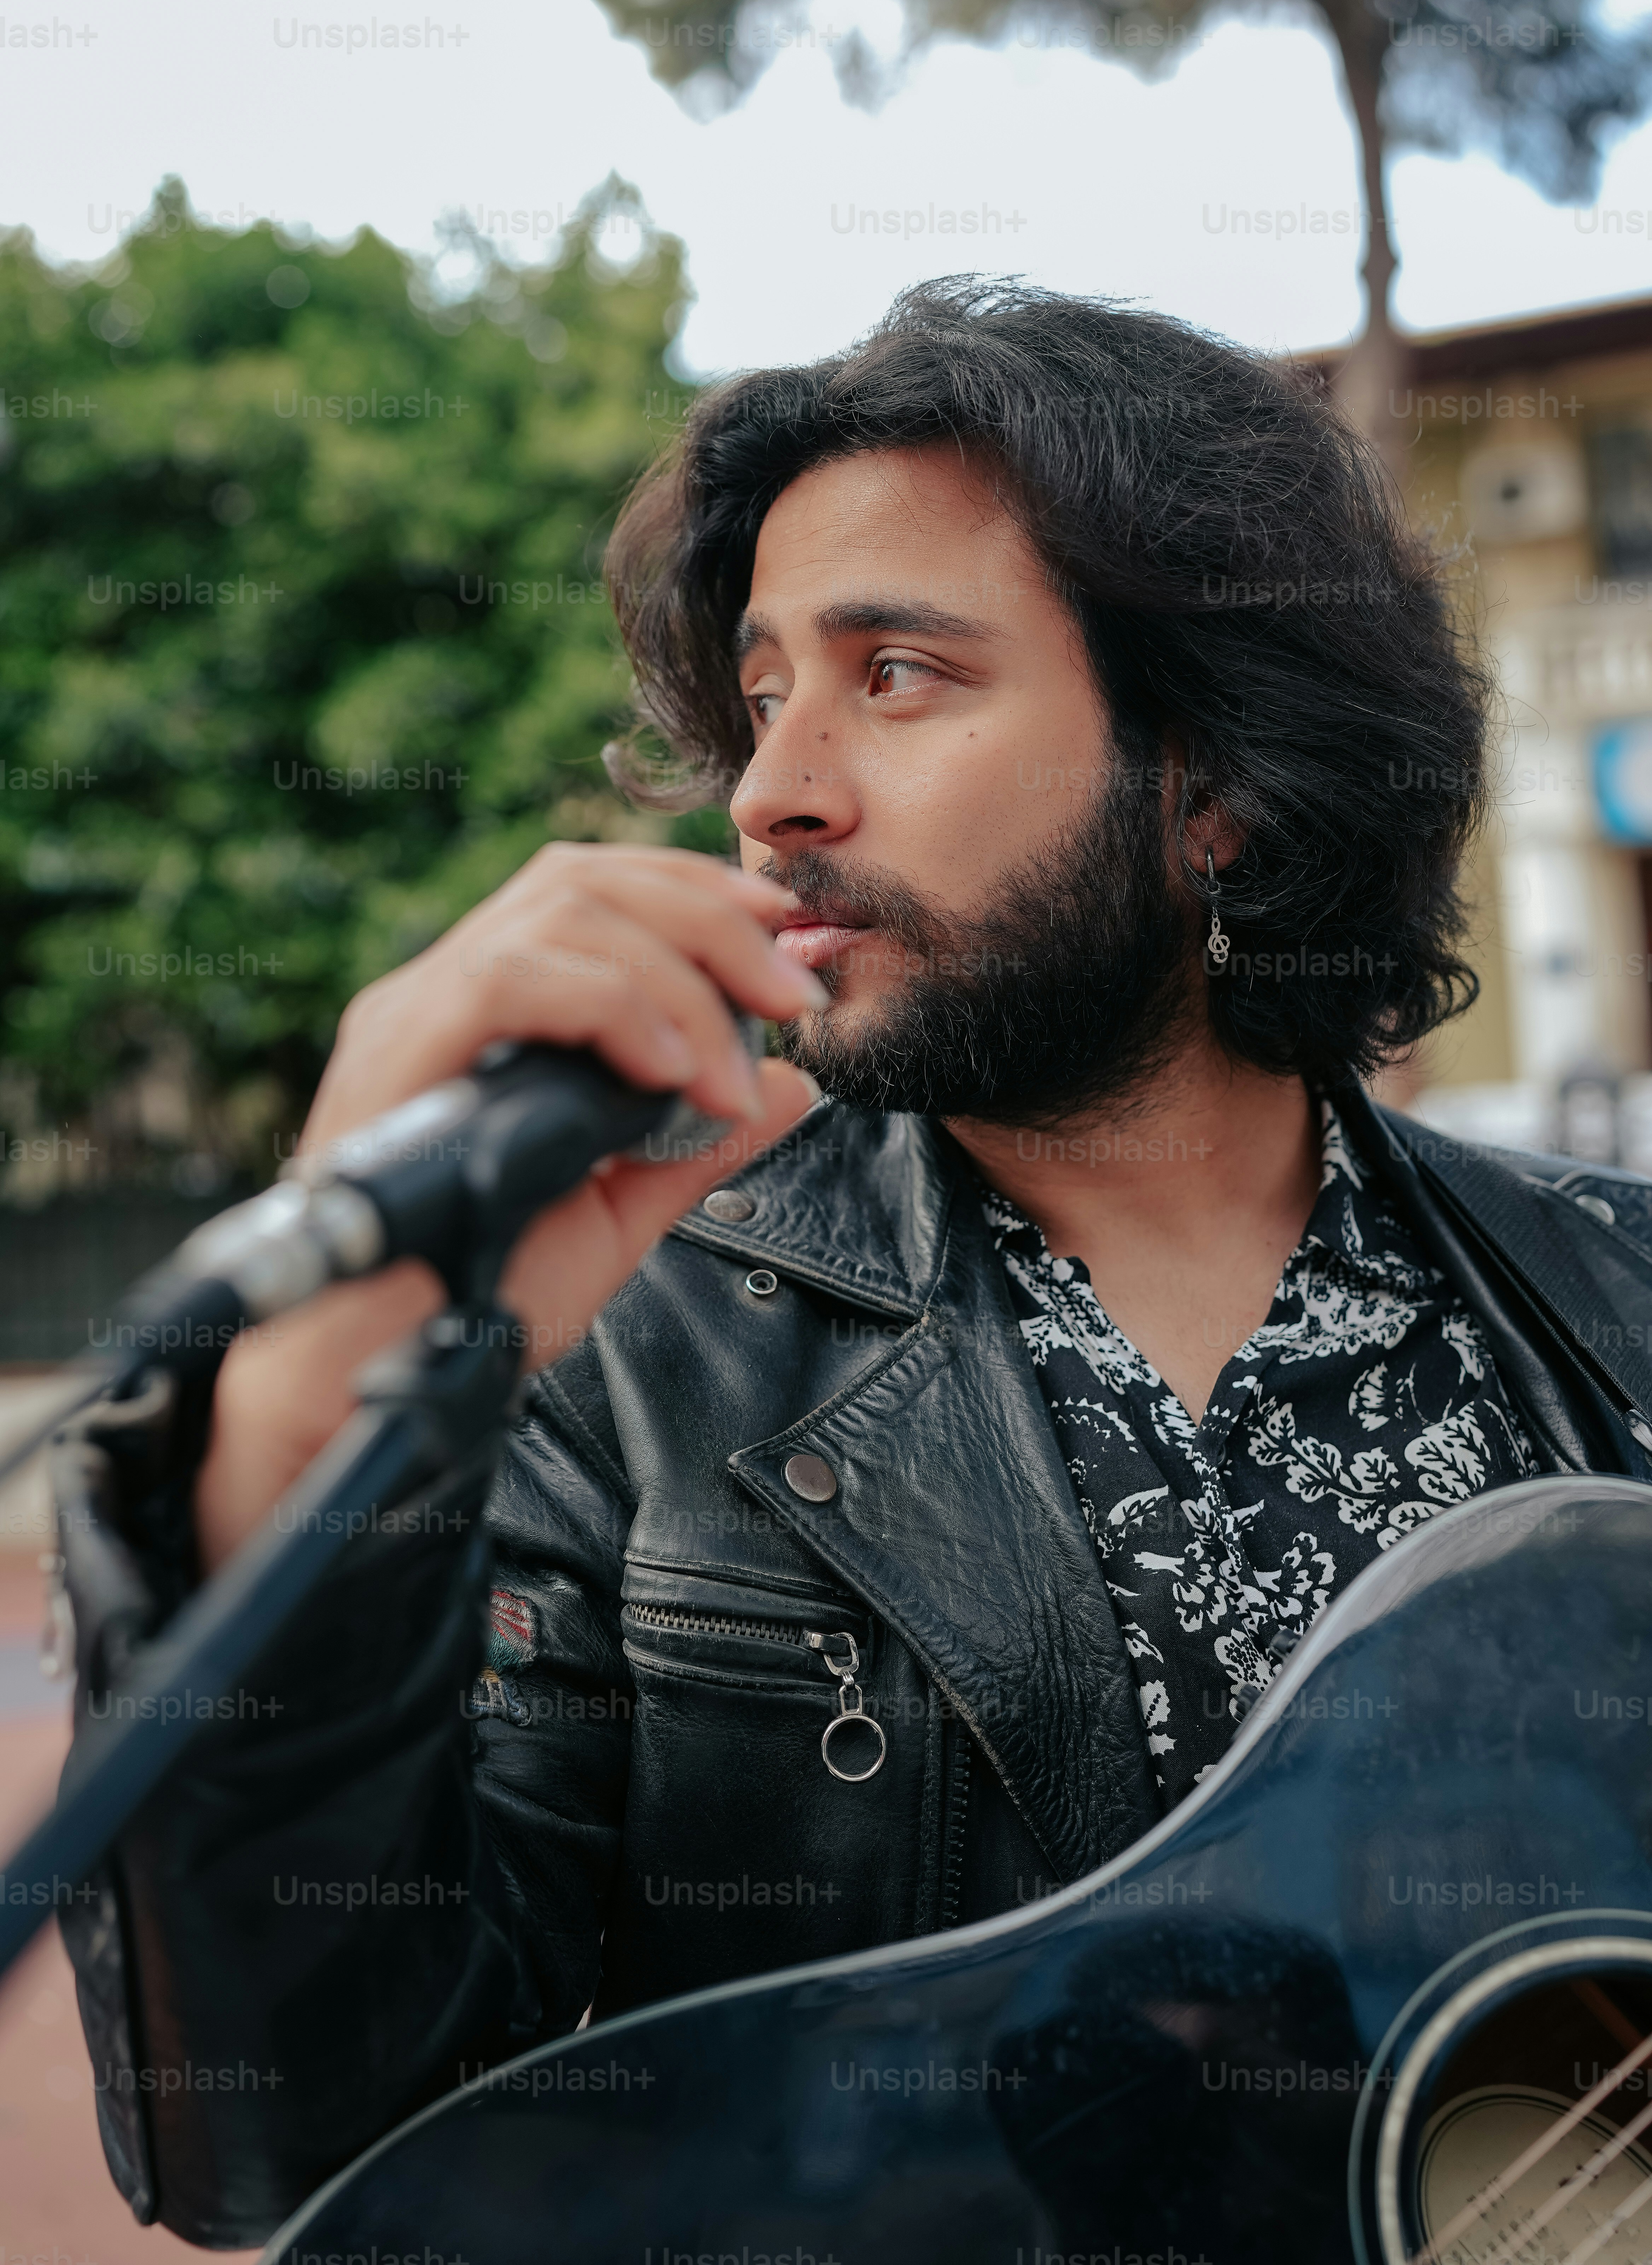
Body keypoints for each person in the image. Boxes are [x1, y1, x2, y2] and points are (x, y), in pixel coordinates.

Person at [56, 279, 1652, 2244]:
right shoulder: (617, 1362)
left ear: (1218, 786)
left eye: (897, 672)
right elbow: (298, 2132)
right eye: (763, 692)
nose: (773, 788)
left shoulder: (1615, 1313)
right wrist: (313, 1396)